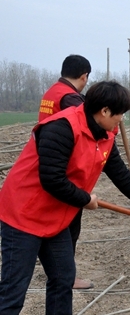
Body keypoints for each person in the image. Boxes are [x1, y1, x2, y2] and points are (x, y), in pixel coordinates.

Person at [0, 81, 130, 315]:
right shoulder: (61, 127)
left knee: (63, 279)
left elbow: (118, 171)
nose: (121, 121)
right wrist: (85, 199)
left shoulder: (105, 135)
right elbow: (51, 178)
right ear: (106, 111)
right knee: (13, 291)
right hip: (23, 215)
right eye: (120, 114)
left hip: (57, 217)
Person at [38, 54, 91, 290]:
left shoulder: (52, 92)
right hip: (65, 168)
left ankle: (60, 270)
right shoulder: (71, 99)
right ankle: (67, 275)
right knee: (70, 224)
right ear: (84, 76)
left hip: (47, 160)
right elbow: (88, 121)